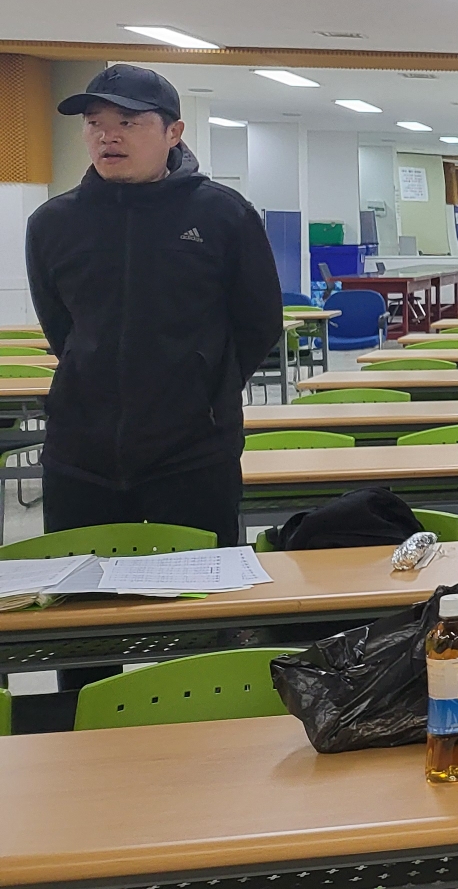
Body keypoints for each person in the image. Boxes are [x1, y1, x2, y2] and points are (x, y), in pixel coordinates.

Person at [27, 64, 283, 547]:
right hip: (80, 454)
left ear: (173, 132)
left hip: (193, 452)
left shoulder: (224, 214)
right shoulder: (53, 222)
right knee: (79, 588)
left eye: (128, 122)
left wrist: (203, 387)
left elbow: (260, 320)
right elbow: (61, 325)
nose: (108, 137)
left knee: (201, 586)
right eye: (94, 123)